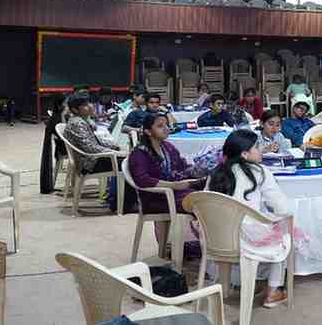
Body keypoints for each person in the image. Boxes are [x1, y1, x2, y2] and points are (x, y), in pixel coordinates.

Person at [208, 130, 293, 308]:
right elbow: (283, 208)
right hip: (248, 241)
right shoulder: (259, 172)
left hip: (217, 239)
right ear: (245, 154)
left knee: (267, 225)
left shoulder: (215, 173)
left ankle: (231, 285)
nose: (261, 149)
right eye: (257, 146)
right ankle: (273, 290)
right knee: (284, 230)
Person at [128, 113, 205, 249]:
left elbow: (183, 166)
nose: (166, 128)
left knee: (210, 193)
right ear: (148, 131)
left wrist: (198, 173)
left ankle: (206, 244)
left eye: (167, 125)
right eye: (160, 126)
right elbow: (142, 179)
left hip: (173, 193)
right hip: (155, 199)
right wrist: (174, 185)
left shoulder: (167, 147)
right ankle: (206, 246)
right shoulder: (139, 153)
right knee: (202, 203)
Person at [63, 94, 124, 173]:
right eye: (85, 105)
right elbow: (90, 148)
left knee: (129, 159)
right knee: (130, 163)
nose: (91, 106)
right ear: (75, 110)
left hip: (94, 158)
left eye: (90, 103)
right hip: (90, 163)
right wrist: (116, 152)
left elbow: (95, 143)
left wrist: (115, 147)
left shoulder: (82, 120)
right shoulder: (77, 123)